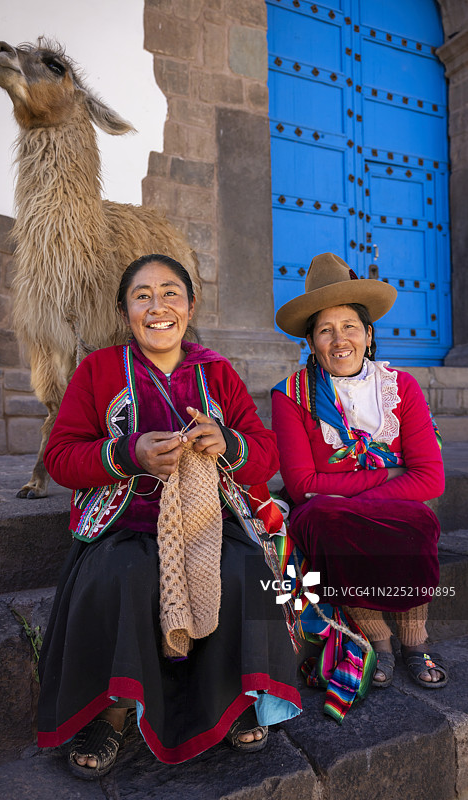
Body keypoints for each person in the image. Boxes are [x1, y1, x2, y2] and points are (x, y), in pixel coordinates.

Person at [37, 253, 301, 779]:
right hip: (125, 526)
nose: (158, 306)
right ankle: (111, 712)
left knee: (242, 571)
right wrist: (127, 453)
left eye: (171, 293)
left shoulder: (216, 372)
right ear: (125, 310)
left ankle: (232, 699)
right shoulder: (99, 370)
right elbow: (61, 456)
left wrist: (227, 441)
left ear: (190, 304)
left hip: (209, 522)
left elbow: (266, 454)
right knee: (123, 575)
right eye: (142, 295)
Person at [272, 252, 448, 691]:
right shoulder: (291, 396)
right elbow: (302, 486)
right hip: (323, 515)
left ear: (368, 336)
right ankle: (379, 638)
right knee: (328, 519)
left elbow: (431, 479)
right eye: (325, 330)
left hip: (358, 505)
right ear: (311, 342)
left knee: (419, 518)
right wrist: (389, 475)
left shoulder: (400, 388)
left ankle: (414, 639)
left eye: (349, 326)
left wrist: (345, 493)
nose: (339, 339)